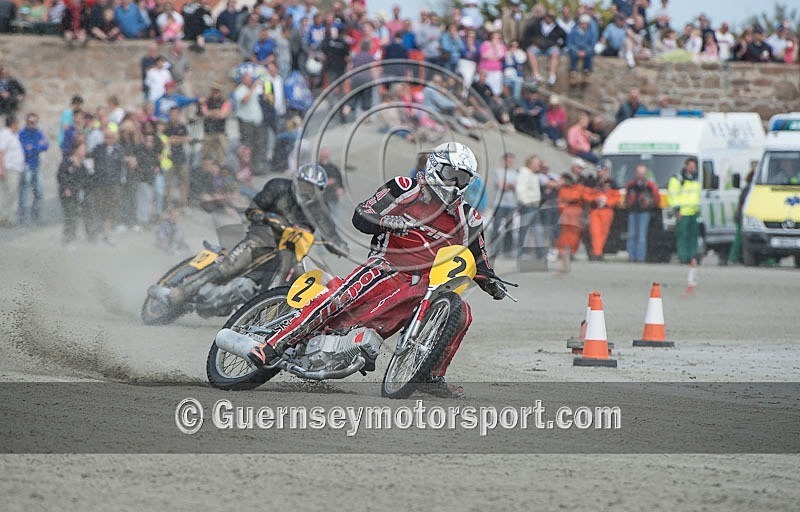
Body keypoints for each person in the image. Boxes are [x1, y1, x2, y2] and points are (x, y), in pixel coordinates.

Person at [242, 142, 507, 397]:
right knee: (339, 297)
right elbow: (361, 215)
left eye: (462, 179)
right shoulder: (404, 188)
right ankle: (273, 344)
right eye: (451, 174)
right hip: (386, 265)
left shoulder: (469, 217)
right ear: (435, 167)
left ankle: (429, 376)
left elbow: (479, 259)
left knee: (463, 312)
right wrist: (387, 222)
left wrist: (491, 281)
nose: (455, 184)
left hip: (426, 283)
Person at [149, 163, 350, 306]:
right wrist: (264, 216)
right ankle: (178, 293)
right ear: (298, 181)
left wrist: (341, 246)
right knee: (231, 265)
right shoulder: (278, 186)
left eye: (313, 188)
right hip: (263, 236)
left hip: (292, 249)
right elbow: (254, 208)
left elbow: (331, 233)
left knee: (303, 275)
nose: (308, 190)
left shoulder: (319, 209)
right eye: (305, 185)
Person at [667, 157, 701, 264]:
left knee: (693, 237)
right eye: (690, 166)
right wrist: (677, 210)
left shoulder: (697, 179)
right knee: (682, 236)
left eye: (694, 167)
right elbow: (673, 196)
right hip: (683, 213)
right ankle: (683, 257)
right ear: (686, 166)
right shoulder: (677, 179)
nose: (692, 169)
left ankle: (692, 257)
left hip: (694, 213)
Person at [17, 112, 49, 226]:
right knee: (24, 194)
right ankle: (23, 218)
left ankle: (36, 216)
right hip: (25, 167)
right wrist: (37, 147)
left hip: (36, 166)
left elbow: (46, 145)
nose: (32, 124)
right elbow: (24, 150)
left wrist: (33, 147)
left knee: (39, 192)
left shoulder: (38, 133)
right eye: (30, 122)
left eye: (34, 122)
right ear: (26, 122)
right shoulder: (21, 134)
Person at [584, 160, 620, 261]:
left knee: (604, 233)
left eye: (601, 170)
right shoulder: (592, 182)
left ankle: (598, 251)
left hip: (607, 210)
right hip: (595, 210)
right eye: (598, 171)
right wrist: (595, 199)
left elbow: (617, 197)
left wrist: (607, 202)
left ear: (606, 170)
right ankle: (597, 253)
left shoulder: (612, 183)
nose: (599, 173)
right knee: (595, 232)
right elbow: (586, 195)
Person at [555, 161, 587, 273]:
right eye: (579, 168)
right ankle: (562, 252)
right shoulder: (566, 177)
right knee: (565, 232)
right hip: (567, 209)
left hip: (576, 209)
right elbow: (563, 195)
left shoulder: (583, 180)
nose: (580, 170)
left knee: (575, 233)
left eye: (581, 168)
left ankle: (571, 253)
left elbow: (581, 196)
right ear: (574, 167)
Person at [624, 163, 660, 262]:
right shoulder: (631, 185)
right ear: (636, 173)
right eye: (639, 173)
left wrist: (649, 204)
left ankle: (640, 258)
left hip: (644, 213)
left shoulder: (650, 185)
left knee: (641, 236)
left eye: (643, 173)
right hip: (633, 212)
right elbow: (626, 198)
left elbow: (656, 199)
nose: (641, 175)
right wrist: (628, 205)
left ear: (645, 174)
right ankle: (631, 257)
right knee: (631, 235)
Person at [57, 138, 87, 247]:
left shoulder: (82, 164)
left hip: (78, 194)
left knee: (75, 215)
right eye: (82, 149)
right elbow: (61, 176)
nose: (84, 151)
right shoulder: (67, 162)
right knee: (70, 215)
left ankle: (71, 237)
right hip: (67, 194)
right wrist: (66, 188)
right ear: (76, 150)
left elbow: (85, 179)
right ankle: (67, 238)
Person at [516, 155, 543, 260]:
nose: (539, 165)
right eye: (537, 163)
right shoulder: (525, 173)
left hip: (534, 205)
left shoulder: (533, 175)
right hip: (528, 205)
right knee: (525, 229)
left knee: (536, 229)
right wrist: (526, 202)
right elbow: (520, 189)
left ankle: (540, 252)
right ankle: (521, 252)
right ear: (530, 163)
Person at [490, 152, 517, 258]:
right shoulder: (498, 171)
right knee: (496, 227)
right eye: (508, 160)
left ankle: (507, 250)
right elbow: (501, 186)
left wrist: (508, 185)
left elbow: (516, 186)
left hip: (511, 204)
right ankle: (494, 249)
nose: (510, 162)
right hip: (499, 203)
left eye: (511, 161)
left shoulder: (514, 173)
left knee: (509, 228)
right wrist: (509, 185)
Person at [0, 115, 24, 228]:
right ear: (13, 124)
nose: (19, 125)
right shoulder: (5, 135)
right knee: (9, 194)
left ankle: (9, 218)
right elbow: (1, 152)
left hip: (15, 168)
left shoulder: (14, 135)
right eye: (17, 123)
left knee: (12, 194)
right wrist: (2, 169)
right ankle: (5, 218)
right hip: (9, 169)